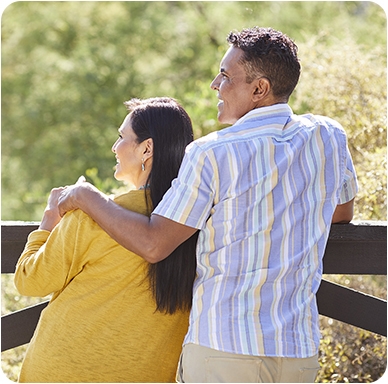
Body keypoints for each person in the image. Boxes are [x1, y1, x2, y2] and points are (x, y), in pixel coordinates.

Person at [58, 27, 358, 383]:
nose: (216, 84)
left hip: (223, 349)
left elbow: (154, 243)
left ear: (259, 89)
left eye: (226, 76)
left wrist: (84, 196)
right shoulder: (328, 136)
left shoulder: (211, 152)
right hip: (297, 351)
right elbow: (341, 213)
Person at [14, 97, 198, 383]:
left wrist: (49, 219)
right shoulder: (195, 222)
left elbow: (30, 280)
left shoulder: (91, 216)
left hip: (65, 373)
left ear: (146, 148)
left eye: (122, 137)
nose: (115, 147)